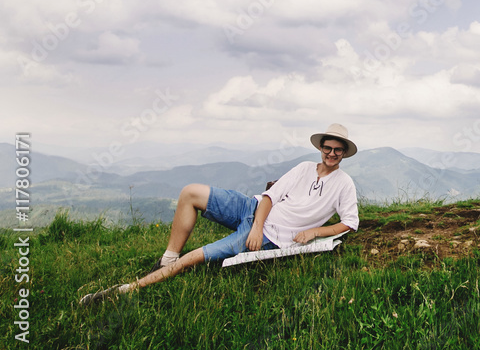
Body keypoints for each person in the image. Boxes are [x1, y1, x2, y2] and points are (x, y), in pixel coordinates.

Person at [80, 124, 359, 306]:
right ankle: (166, 259)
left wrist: (314, 232)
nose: (331, 153)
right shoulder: (303, 168)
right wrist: (256, 226)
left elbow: (350, 222)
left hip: (273, 236)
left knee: (192, 259)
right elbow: (269, 197)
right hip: (252, 210)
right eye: (327, 147)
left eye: (337, 150)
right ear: (320, 147)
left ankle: (121, 291)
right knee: (190, 192)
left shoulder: (344, 183)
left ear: (344, 153)